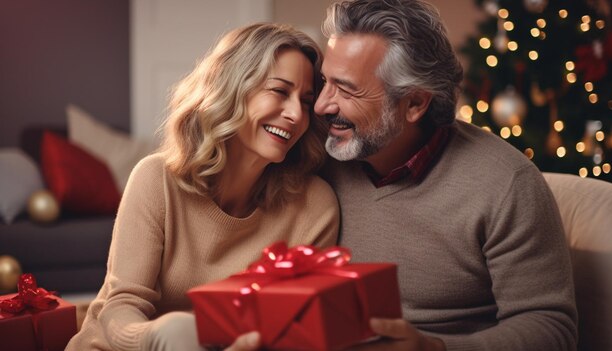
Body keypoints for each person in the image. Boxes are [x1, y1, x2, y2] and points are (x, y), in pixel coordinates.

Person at [230, 0, 578, 350]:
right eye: (325, 82)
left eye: (347, 89)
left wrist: (433, 348)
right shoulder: (313, 146)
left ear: (414, 103)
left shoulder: (505, 184)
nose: (321, 105)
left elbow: (551, 328)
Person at [65, 23, 339, 351]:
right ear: (231, 88)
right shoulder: (156, 179)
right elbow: (122, 305)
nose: (296, 114)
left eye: (306, 102)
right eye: (279, 91)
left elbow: (298, 327)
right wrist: (155, 337)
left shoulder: (314, 206)